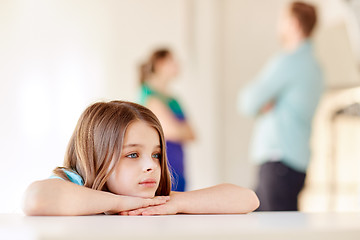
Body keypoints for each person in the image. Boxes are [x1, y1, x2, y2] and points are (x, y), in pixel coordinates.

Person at [23, 101, 259, 216]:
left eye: (156, 155)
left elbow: (247, 199)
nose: (150, 166)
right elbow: (35, 199)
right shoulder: (76, 184)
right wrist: (118, 203)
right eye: (133, 154)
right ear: (95, 155)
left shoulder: (148, 199)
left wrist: (177, 203)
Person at [238, 1, 324, 211]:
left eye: (282, 19)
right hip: (296, 162)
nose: (279, 25)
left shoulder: (288, 63)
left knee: (274, 230)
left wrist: (267, 102)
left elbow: (248, 102)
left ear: (294, 24)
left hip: (278, 161)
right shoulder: (315, 68)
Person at [138, 48, 195, 192]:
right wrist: (179, 129)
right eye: (172, 61)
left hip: (178, 165)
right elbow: (173, 131)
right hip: (162, 166)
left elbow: (192, 134)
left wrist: (178, 130)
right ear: (160, 64)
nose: (178, 65)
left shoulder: (173, 100)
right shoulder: (149, 95)